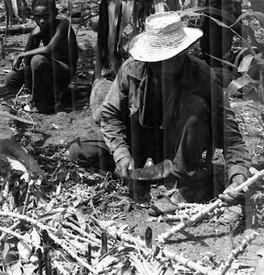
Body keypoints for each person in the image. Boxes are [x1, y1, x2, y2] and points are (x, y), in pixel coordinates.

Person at [69, 11, 251, 206]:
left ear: (182, 53)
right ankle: (143, 173)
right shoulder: (132, 70)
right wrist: (121, 153)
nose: (162, 64)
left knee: (195, 108)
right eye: (157, 58)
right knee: (80, 150)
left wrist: (238, 178)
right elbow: (110, 115)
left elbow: (231, 136)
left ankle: (182, 179)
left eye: (169, 58)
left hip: (177, 147)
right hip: (139, 139)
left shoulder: (202, 76)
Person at [0, 0, 79, 113]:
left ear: (55, 13)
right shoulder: (37, 32)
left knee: (37, 60)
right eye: (37, 17)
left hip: (63, 73)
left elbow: (48, 49)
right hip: (46, 73)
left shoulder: (63, 25)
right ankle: (33, 96)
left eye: (46, 16)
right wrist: (27, 90)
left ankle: (44, 105)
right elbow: (27, 64)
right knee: (11, 78)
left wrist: (21, 55)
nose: (42, 21)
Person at [200, 0, 242, 87]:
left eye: (228, 2)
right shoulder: (213, 22)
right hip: (217, 67)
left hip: (223, 63)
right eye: (212, 4)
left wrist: (237, 14)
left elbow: (243, 35)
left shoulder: (226, 19)